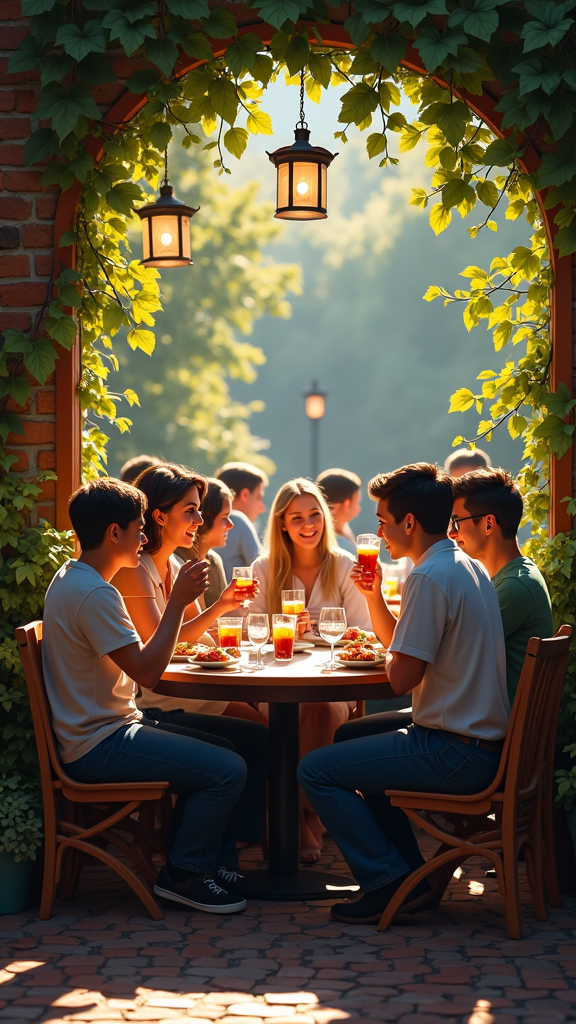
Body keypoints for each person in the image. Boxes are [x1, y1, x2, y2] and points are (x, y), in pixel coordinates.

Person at [298, 463, 509, 924]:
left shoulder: (428, 578)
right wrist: (374, 600)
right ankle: (408, 874)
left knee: (314, 769)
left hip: (456, 751)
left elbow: (400, 679)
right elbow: (410, 654)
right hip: (477, 740)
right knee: (350, 741)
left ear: (408, 522)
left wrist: (386, 655)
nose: (378, 532)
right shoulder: (462, 565)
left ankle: (388, 882)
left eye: (383, 522)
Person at [42, 477, 250, 914]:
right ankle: (184, 875)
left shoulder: (74, 577)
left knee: (234, 745)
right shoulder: (96, 592)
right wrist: (176, 603)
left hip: (105, 729)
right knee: (227, 768)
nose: (143, 538)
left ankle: (204, 864)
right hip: (99, 745)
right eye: (139, 529)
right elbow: (149, 674)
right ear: (114, 533)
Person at [112, 463, 267, 857]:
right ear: (160, 516)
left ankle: (226, 847)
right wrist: (216, 609)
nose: (199, 519)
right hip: (155, 697)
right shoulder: (136, 570)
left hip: (183, 688)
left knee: (266, 731)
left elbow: (194, 639)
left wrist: (227, 607)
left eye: (199, 510)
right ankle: (217, 850)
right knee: (262, 737)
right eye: (191, 510)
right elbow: (156, 650)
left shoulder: (179, 565)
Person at [250, 478, 371, 862]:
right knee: (290, 711)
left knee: (318, 708)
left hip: (331, 681)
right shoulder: (264, 567)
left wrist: (316, 631)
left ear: (326, 518)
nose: (308, 524)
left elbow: (365, 635)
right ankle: (308, 813)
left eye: (315, 515)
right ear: (282, 523)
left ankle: (302, 813)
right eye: (297, 517)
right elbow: (248, 632)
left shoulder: (345, 564)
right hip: (276, 679)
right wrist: (279, 633)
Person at [450, 467, 553, 704]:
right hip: (474, 724)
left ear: (488, 524)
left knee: (349, 737)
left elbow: (448, 655)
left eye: (456, 522)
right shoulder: (511, 577)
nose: (451, 533)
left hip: (479, 735)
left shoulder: (515, 587)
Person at [188, 477, 237, 613]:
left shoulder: (214, 561)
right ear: (204, 518)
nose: (230, 525)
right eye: (224, 517)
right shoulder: (179, 562)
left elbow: (224, 619)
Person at [213, 462, 268, 581]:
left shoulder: (205, 522)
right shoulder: (238, 520)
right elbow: (265, 570)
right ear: (245, 495)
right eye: (259, 497)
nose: (263, 507)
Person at [316, 468, 362, 555]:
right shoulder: (340, 546)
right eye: (357, 503)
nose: (359, 508)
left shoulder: (343, 528)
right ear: (346, 504)